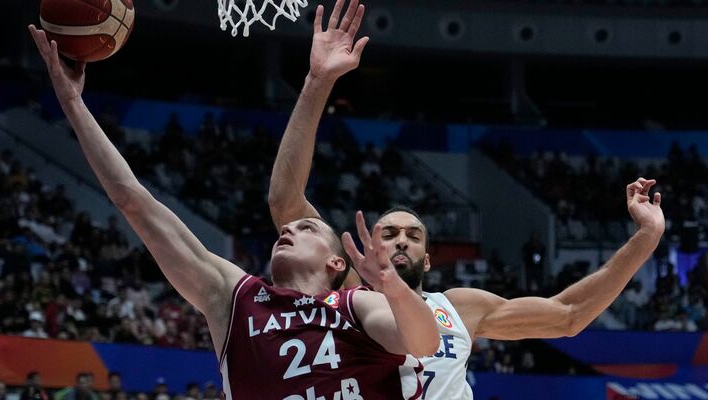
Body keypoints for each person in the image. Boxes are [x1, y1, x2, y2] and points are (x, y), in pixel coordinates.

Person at [266, 0, 666, 398]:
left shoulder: (459, 307)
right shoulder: (349, 295)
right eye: (388, 233)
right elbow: (286, 203)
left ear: (427, 259)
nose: (401, 239)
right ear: (367, 247)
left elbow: (569, 315)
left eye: (413, 235)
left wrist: (645, 237)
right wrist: (317, 84)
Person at [28, 17, 438, 399]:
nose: (289, 229)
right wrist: (71, 102)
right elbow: (133, 201)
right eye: (288, 229)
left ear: (336, 263)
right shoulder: (236, 297)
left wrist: (393, 288)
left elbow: (423, 342)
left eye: (307, 229)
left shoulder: (355, 304)